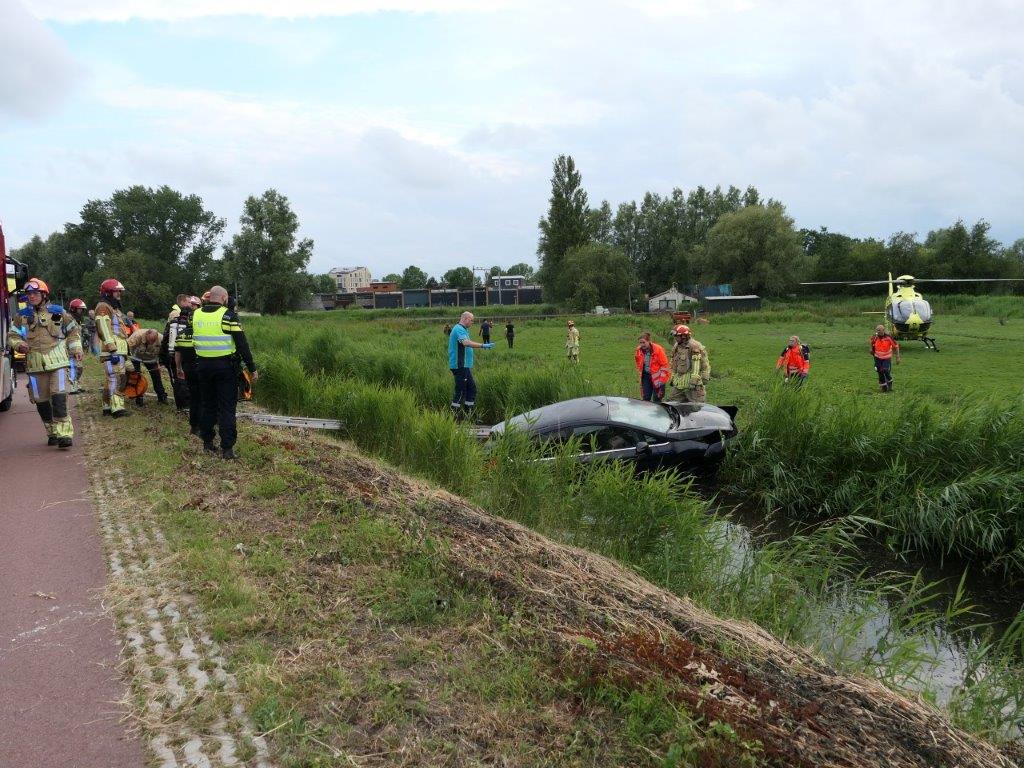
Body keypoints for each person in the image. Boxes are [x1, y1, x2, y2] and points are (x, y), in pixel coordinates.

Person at [7, 278, 82, 448]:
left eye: (35, 293)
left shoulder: (58, 312)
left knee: (59, 398)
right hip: (34, 367)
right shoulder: (21, 317)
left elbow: (73, 331)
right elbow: (12, 336)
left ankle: (64, 434)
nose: (31, 296)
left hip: (59, 364)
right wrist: (19, 344)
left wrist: (76, 349)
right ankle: (52, 432)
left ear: (44, 294)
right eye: (29, 294)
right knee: (41, 402)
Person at [194, 286, 257, 459]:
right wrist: (252, 367)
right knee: (227, 408)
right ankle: (227, 449)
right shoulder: (228, 316)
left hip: (203, 367)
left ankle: (207, 443)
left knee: (208, 405)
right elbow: (242, 344)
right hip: (225, 368)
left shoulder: (196, 314)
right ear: (224, 297)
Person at [94, 278, 132, 418]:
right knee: (117, 377)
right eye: (117, 291)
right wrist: (112, 348)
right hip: (113, 350)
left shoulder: (112, 308)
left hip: (117, 349)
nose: (119, 294)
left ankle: (107, 406)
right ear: (109, 292)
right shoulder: (104, 307)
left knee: (111, 378)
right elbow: (104, 328)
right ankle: (117, 408)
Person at [448, 310, 493, 420]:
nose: (472, 322)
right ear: (465, 319)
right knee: (461, 391)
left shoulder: (464, 330)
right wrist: (483, 345)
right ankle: (452, 418)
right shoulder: (458, 329)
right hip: (460, 365)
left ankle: (469, 416)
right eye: (471, 320)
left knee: (471, 389)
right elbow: (465, 343)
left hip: (465, 366)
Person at [173, 297, 203, 435]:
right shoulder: (201, 334)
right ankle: (204, 425)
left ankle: (193, 426)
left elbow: (177, 353)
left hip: (188, 369)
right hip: (201, 369)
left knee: (194, 398)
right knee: (204, 398)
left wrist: (178, 368)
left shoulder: (181, 334)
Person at [162, 294, 193, 410]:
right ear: (183, 301)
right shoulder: (176, 313)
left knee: (180, 379)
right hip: (176, 351)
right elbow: (172, 334)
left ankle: (182, 404)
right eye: (189, 302)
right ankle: (182, 405)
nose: (190, 304)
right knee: (180, 379)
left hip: (176, 350)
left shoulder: (178, 312)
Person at [668, 324, 710, 403]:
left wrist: (694, 380)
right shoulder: (677, 346)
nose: (675, 338)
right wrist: (673, 375)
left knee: (696, 407)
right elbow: (674, 361)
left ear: (684, 336)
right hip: (679, 382)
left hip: (693, 384)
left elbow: (697, 364)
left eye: (677, 336)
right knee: (673, 403)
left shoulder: (694, 346)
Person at [128, 327, 168, 405]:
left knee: (156, 377)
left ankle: (162, 396)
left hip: (151, 359)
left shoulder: (162, 339)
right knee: (136, 376)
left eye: (153, 341)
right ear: (146, 335)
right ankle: (137, 396)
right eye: (149, 340)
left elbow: (164, 353)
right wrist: (128, 363)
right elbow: (127, 348)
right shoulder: (137, 336)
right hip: (136, 357)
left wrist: (162, 363)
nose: (151, 343)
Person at [634, 332, 670, 402]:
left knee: (657, 399)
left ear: (649, 341)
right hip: (646, 377)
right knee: (646, 398)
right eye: (640, 343)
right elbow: (638, 361)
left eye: (643, 342)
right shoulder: (638, 350)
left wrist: (662, 381)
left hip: (658, 377)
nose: (642, 345)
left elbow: (665, 365)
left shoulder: (658, 349)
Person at [65, 298, 88, 394]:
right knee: (73, 368)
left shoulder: (76, 320)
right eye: (79, 309)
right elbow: (66, 334)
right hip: (69, 348)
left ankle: (77, 384)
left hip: (77, 348)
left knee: (79, 368)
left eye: (82, 309)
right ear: (74, 309)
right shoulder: (68, 319)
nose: (81, 312)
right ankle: (73, 387)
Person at [870, 324, 901, 392]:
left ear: (883, 330)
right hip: (877, 357)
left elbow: (896, 346)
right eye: (877, 330)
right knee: (879, 371)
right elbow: (872, 344)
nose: (879, 332)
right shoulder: (874, 337)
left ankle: (890, 381)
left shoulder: (888, 337)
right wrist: (871, 350)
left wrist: (897, 357)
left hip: (886, 358)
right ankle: (884, 387)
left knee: (885, 370)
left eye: (880, 330)